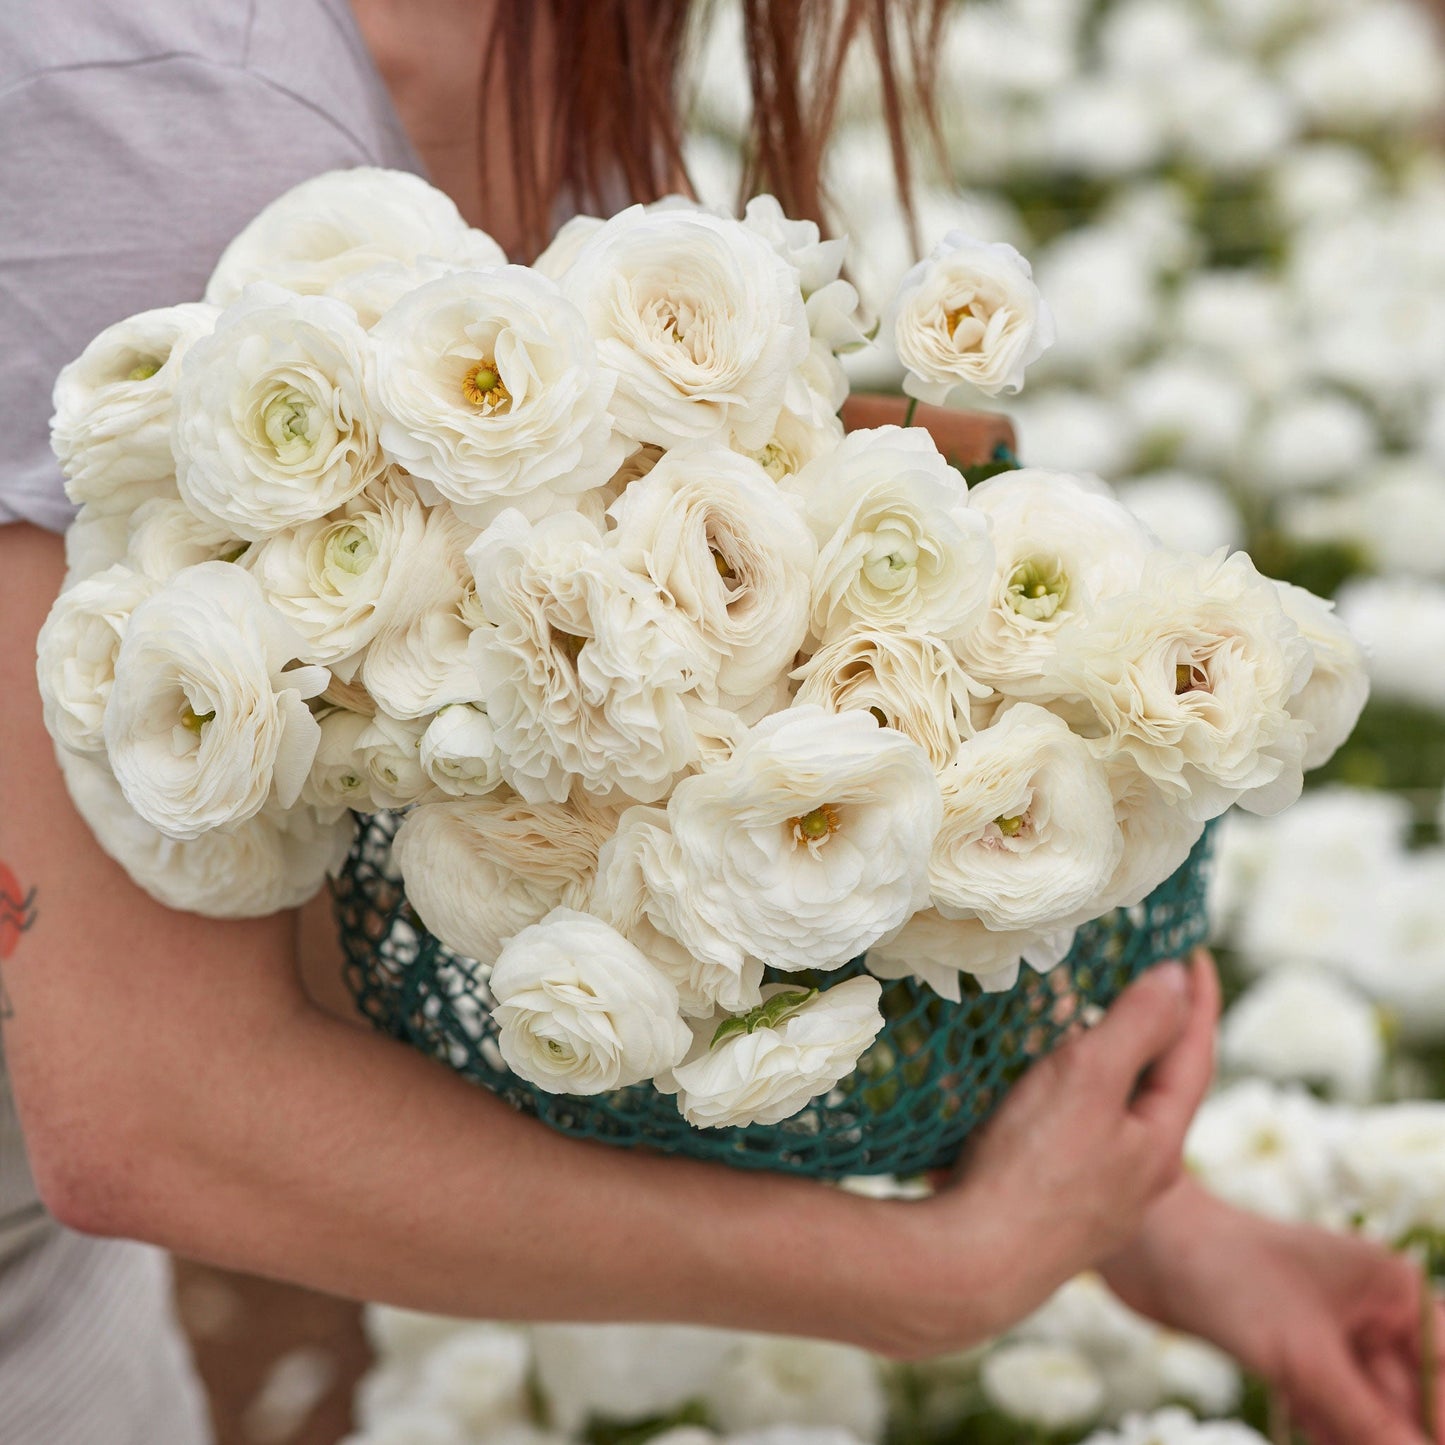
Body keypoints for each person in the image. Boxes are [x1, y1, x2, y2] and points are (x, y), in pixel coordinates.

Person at [0, 4, 1439, 1444]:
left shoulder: (530, 41)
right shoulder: (170, 93)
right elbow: (163, 1100)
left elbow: (330, 795)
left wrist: (1149, 1223)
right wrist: (926, 1280)